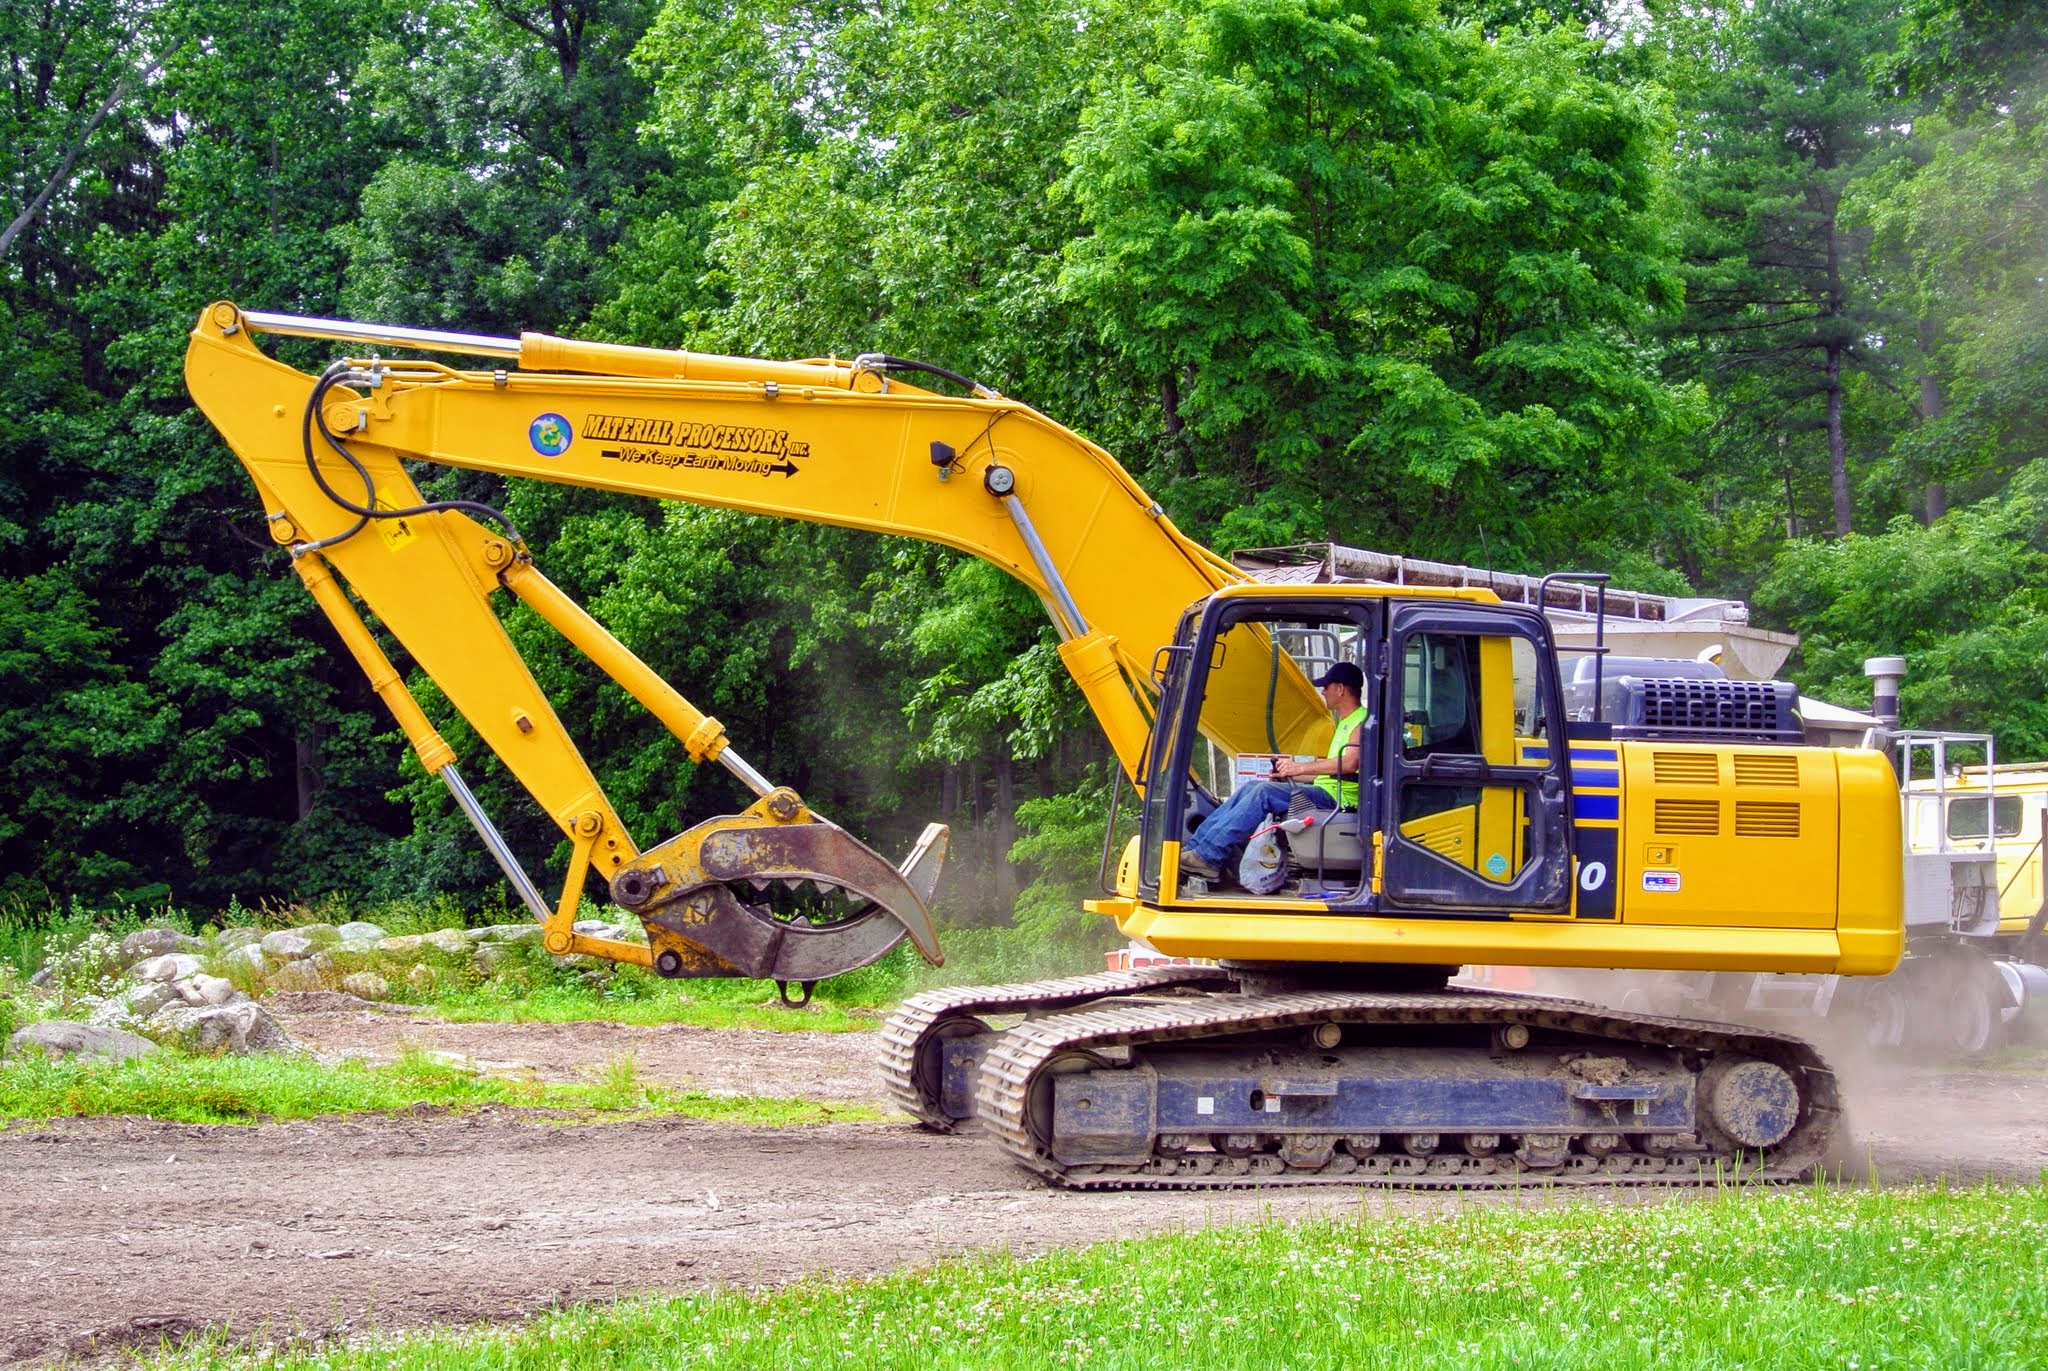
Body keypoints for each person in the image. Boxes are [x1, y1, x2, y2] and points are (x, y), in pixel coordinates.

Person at [1180, 661, 1368, 883]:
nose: (1323, 691)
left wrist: (1299, 767)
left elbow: (1349, 765)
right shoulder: (1345, 723)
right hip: (1328, 790)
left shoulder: (1361, 721)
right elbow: (1330, 773)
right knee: (1252, 787)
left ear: (1341, 689)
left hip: (1339, 799)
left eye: (1326, 686)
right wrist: (1291, 774)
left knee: (1264, 792)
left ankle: (1208, 856)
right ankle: (1195, 848)